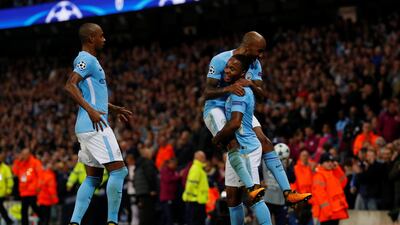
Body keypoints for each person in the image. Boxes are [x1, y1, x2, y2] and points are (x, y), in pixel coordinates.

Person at [203, 31, 311, 204]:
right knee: (231, 140)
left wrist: (251, 84)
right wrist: (228, 89)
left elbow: (262, 95)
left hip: (238, 107)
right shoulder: (220, 60)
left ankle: (288, 192)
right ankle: (251, 188)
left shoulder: (255, 65)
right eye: (259, 51)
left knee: (265, 141)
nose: (261, 55)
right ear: (247, 48)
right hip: (217, 107)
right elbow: (207, 93)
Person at [64, 23, 132, 225]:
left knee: (93, 178)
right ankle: (112, 221)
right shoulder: (86, 59)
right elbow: (70, 85)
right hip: (95, 125)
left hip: (86, 126)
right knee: (119, 171)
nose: (105, 39)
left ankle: (74, 222)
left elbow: (92, 95)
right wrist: (92, 110)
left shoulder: (90, 60)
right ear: (91, 38)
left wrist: (112, 107)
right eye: (101, 36)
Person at [212, 54, 272, 225]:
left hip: (247, 148)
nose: (227, 70)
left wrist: (216, 139)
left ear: (243, 73)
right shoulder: (233, 91)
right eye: (227, 67)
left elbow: (235, 123)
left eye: (232, 68)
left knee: (254, 195)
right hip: (235, 150)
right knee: (231, 195)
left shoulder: (240, 92)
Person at [312, 153, 348, 225]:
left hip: (335, 212)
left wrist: (337, 168)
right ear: (322, 163)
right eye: (327, 162)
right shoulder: (319, 175)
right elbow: (320, 196)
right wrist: (327, 212)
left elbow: (344, 182)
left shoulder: (333, 173)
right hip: (327, 214)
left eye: (331, 161)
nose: (330, 164)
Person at [12, 148, 42, 225]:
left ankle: (43, 218)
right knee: (23, 211)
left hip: (32, 191)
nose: (23, 156)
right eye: (22, 154)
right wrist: (17, 161)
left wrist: (38, 187)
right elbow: (15, 173)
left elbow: (40, 175)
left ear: (29, 154)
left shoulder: (35, 162)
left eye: (25, 154)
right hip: (23, 192)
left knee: (34, 207)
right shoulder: (20, 163)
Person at [182, 151, 209, 225]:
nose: (204, 158)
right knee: (196, 221)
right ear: (197, 158)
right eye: (202, 157)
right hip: (195, 201)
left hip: (198, 200)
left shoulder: (199, 168)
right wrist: (191, 198)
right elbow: (191, 185)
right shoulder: (196, 169)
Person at [0, 150, 14, 225]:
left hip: (2, 193)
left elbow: (10, 180)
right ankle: (8, 221)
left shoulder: (6, 168)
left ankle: (8, 220)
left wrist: (8, 191)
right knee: (1, 208)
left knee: (1, 207)